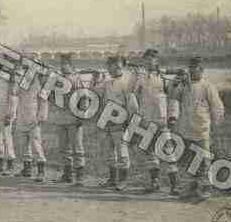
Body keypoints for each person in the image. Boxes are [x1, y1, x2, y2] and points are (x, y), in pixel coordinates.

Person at [168, 56, 224, 201]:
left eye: (195, 68)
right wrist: (175, 83)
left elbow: (217, 107)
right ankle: (190, 190)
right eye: (190, 68)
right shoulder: (184, 85)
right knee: (188, 161)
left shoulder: (207, 86)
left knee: (203, 161)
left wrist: (216, 124)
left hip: (201, 129)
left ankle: (205, 190)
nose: (192, 71)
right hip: (186, 129)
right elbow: (172, 97)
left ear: (201, 70)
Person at [129, 49, 180, 195]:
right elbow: (130, 92)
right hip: (146, 121)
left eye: (152, 59)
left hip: (162, 121)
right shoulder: (140, 77)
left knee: (168, 152)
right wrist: (136, 75)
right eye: (146, 59)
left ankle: (174, 185)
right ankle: (154, 183)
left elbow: (173, 97)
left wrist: (173, 116)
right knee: (150, 153)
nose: (149, 61)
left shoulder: (163, 77)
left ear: (156, 60)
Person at [98, 55, 139, 191]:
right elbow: (95, 93)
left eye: (115, 65)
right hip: (107, 122)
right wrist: (96, 78)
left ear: (120, 67)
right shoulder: (107, 83)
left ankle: (123, 180)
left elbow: (132, 105)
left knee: (122, 152)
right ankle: (112, 179)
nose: (112, 68)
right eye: (109, 66)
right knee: (109, 152)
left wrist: (130, 124)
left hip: (121, 122)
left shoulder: (127, 83)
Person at [48, 53, 89, 186]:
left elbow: (84, 99)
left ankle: (80, 177)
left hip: (74, 119)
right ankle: (67, 175)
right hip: (61, 118)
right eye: (62, 64)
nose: (63, 66)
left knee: (77, 148)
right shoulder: (58, 80)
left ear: (71, 65)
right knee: (63, 149)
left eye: (66, 64)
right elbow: (52, 97)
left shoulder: (77, 79)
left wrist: (82, 116)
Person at [14, 54, 49, 182]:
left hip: (34, 116)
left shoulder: (40, 83)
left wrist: (41, 117)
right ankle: (27, 168)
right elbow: (14, 92)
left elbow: (44, 101)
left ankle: (41, 170)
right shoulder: (22, 81)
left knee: (36, 143)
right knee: (23, 143)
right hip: (22, 114)